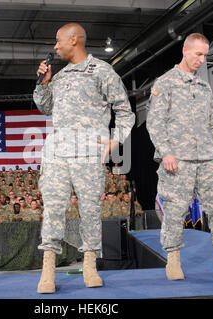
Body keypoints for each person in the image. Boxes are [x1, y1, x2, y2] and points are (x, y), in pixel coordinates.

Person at [33, 22, 135, 293]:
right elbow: (45, 108)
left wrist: (115, 140)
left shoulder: (102, 71)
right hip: (57, 154)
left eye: (58, 41)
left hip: (88, 154)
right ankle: (48, 270)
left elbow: (125, 111)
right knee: (53, 210)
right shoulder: (61, 76)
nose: (55, 46)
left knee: (89, 211)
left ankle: (89, 264)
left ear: (74, 40)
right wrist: (43, 84)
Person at [146, 33, 213, 280]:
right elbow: (155, 122)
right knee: (175, 210)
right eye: (198, 54)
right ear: (185, 50)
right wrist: (166, 152)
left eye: (205, 55)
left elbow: (211, 123)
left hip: (206, 158)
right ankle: (173, 261)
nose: (202, 60)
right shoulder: (165, 82)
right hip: (177, 160)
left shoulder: (204, 86)